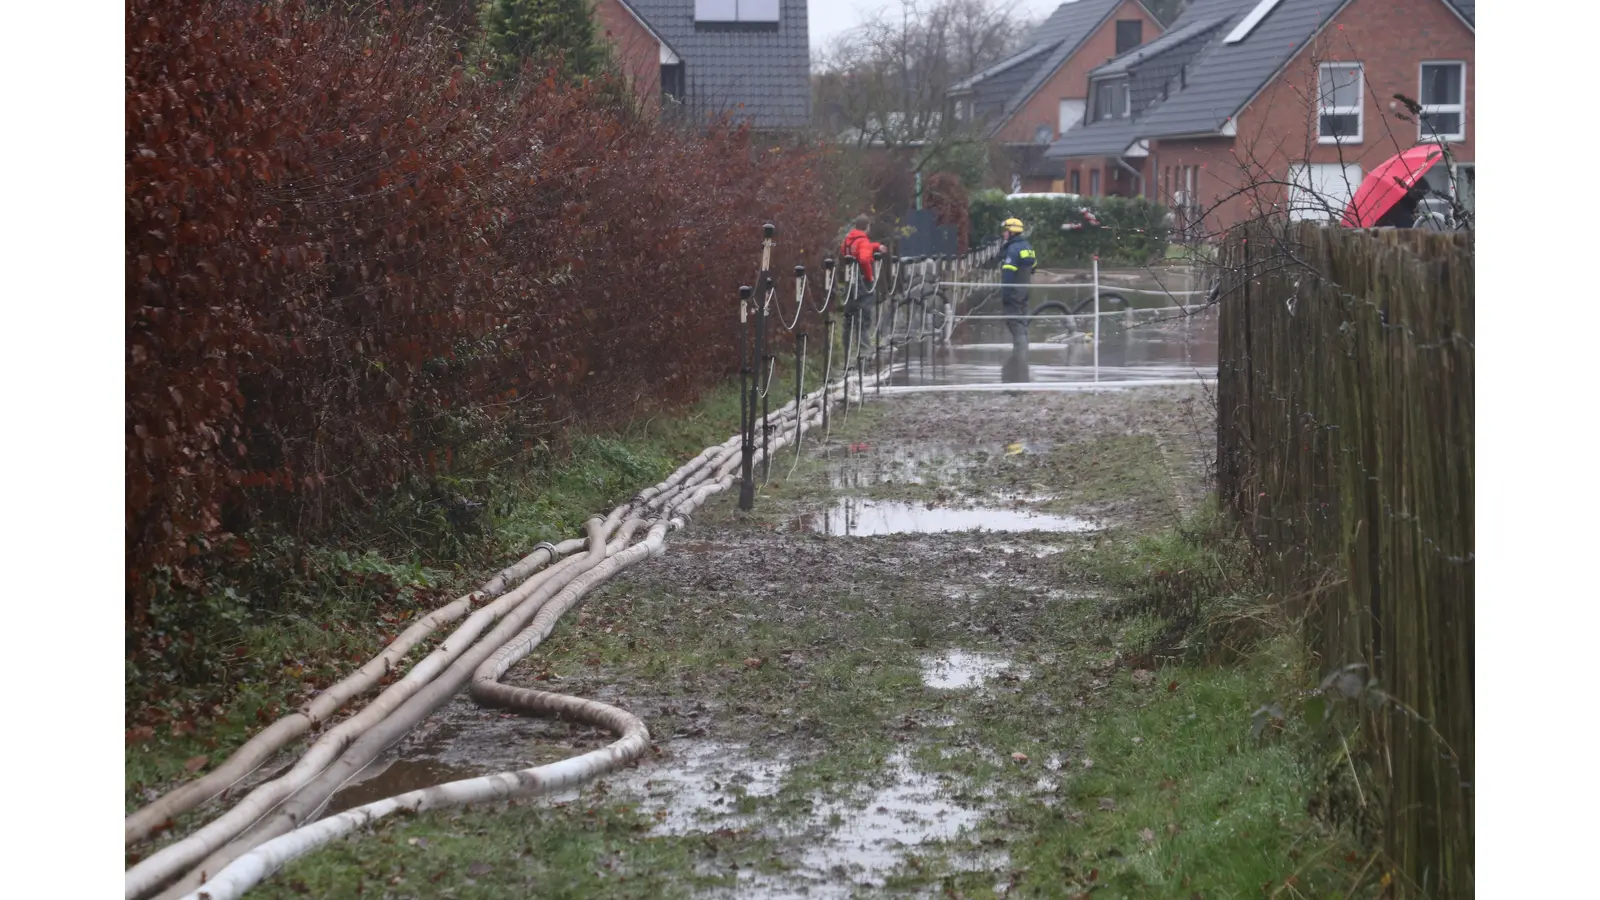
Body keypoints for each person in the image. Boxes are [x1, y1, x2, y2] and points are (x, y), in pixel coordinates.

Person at [839, 214, 885, 353]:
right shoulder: (863, 241)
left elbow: (846, 251)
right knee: (864, 316)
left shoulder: (849, 239)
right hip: (862, 282)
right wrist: (870, 277)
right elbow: (864, 259)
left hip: (850, 280)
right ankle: (865, 350)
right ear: (867, 227)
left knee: (849, 315)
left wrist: (876, 246)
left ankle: (846, 348)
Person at [997, 217, 1037, 351]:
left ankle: (1020, 355)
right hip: (1025, 291)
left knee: (1014, 322)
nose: (1004, 234)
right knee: (1023, 322)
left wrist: (1006, 294)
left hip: (1014, 292)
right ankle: (1022, 358)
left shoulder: (1013, 249)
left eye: (1006, 231)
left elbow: (1008, 273)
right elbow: (1033, 267)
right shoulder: (1028, 246)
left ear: (1012, 232)